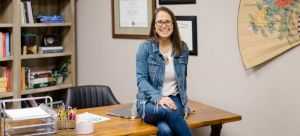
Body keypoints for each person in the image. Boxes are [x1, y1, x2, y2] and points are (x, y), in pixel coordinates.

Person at [132, 6, 192, 136]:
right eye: (160, 22)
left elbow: (183, 80)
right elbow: (141, 80)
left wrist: (182, 102)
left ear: (173, 24)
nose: (164, 25)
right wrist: (159, 98)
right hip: (147, 102)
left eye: (167, 21)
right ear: (154, 26)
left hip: (174, 99)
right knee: (169, 112)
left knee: (165, 130)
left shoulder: (182, 48)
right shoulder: (145, 48)